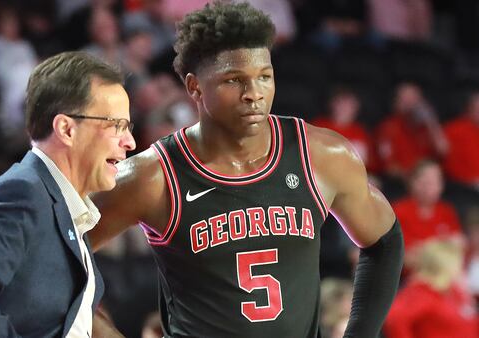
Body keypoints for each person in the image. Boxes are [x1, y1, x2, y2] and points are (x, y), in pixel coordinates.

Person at [90, 2, 404, 337]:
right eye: (234, 80)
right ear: (194, 86)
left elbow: (384, 241)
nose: (254, 94)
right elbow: (53, 260)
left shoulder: (322, 155)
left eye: (264, 77)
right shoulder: (152, 176)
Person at [0, 51, 135, 337]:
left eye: (128, 126)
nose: (130, 141)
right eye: (116, 125)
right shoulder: (24, 192)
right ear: (66, 129)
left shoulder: (63, 205)